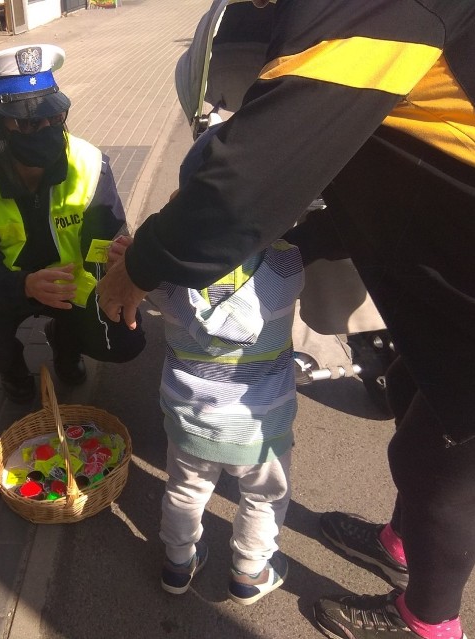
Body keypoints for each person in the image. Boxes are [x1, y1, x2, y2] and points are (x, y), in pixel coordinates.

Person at [98, 1, 475, 638]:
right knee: (409, 394)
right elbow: (358, 195)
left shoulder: (381, 10)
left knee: (437, 473)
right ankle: (400, 544)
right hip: (462, 293)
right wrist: (312, 237)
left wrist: (141, 264)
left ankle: (427, 621)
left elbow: (246, 186)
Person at [110, 125, 303, 603]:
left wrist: (134, 259)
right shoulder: (287, 267)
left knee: (185, 491)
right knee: (264, 497)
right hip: (264, 423)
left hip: (191, 415)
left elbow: (140, 273)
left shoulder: (161, 277)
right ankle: (249, 572)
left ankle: (177, 564)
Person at [0, 44, 145, 403]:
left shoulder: (89, 163)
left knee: (126, 339)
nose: (47, 128)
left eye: (55, 116)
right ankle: (13, 368)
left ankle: (66, 344)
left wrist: (119, 258)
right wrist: (26, 286)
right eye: (31, 122)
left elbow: (105, 238)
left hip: (71, 285)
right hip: (7, 288)